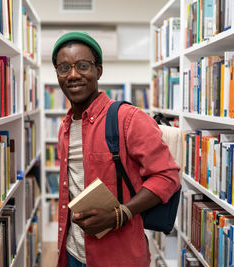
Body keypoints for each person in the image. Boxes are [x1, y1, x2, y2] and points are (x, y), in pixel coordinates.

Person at [52, 31, 180, 267]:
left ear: (98, 70)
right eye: (63, 68)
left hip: (118, 257)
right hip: (72, 251)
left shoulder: (128, 118)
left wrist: (121, 213)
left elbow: (167, 175)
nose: (72, 75)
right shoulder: (65, 128)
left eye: (82, 65)